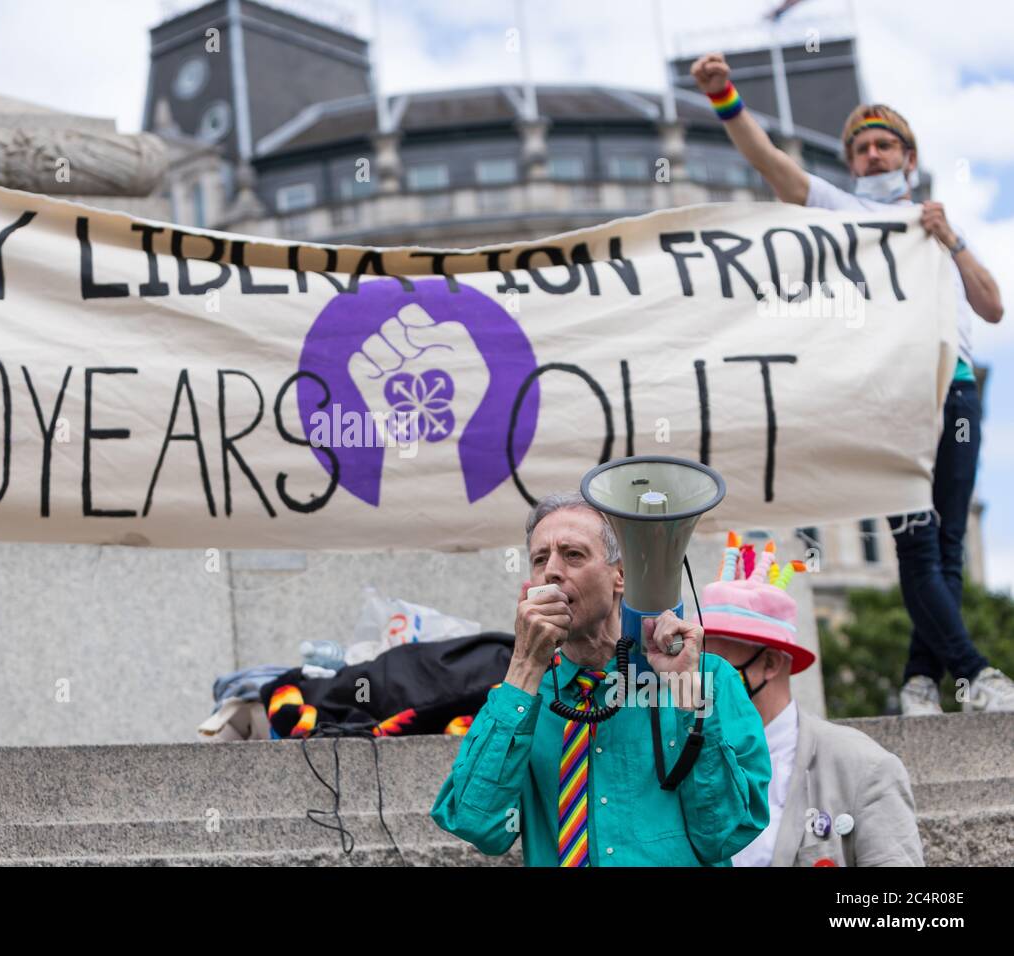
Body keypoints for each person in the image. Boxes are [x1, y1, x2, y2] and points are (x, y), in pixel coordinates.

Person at [689, 53, 1013, 716]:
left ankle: (922, 680)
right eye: (861, 148)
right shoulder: (840, 208)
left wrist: (950, 240)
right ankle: (975, 672)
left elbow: (992, 307)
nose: (871, 155)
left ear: (908, 157)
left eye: (883, 145)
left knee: (948, 542)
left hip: (952, 390)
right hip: (889, 394)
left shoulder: (937, 223)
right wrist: (724, 96)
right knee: (917, 539)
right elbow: (770, 163)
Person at [430, 493, 771, 866]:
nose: (552, 571)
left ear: (620, 574)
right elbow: (477, 824)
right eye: (540, 559)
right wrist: (525, 665)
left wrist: (688, 698)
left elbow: (727, 834)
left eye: (573, 555)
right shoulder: (522, 697)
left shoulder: (706, 678)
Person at [701, 534, 924, 866]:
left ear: (771, 663)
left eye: (719, 667)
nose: (706, 680)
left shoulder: (863, 767)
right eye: (701, 665)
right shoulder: (688, 758)